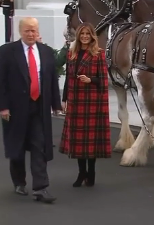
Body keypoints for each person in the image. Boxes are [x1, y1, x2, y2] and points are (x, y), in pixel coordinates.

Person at [0, 17, 62, 203]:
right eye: (27, 30)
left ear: (38, 31)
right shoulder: (7, 51)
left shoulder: (46, 52)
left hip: (38, 106)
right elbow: (1, 81)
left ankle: (40, 188)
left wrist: (56, 104)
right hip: (14, 108)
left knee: (39, 145)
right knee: (17, 146)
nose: (31, 34)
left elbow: (51, 79)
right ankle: (19, 182)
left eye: (34, 30)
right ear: (20, 31)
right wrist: (3, 106)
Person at [59, 22, 111, 188]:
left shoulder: (98, 54)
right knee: (79, 139)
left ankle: (92, 172)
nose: (85, 37)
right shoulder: (71, 53)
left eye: (88, 34)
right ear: (78, 35)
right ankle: (81, 173)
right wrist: (64, 98)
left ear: (92, 36)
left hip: (92, 101)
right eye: (82, 34)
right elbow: (68, 78)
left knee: (91, 139)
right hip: (75, 99)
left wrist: (91, 80)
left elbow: (103, 81)